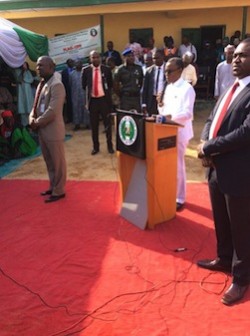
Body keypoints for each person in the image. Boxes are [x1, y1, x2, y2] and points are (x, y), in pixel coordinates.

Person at [196, 38, 250, 305]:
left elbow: (246, 133)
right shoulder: (231, 87)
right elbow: (210, 118)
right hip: (218, 168)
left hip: (240, 172)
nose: (236, 60)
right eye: (235, 55)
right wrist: (207, 143)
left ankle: (241, 279)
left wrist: (209, 147)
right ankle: (224, 259)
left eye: (243, 56)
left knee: (242, 227)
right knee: (222, 219)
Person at [158, 57, 195, 211]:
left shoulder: (187, 88)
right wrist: (160, 105)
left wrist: (169, 117)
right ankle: (169, 192)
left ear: (180, 71)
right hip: (166, 131)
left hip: (180, 132)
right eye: (165, 71)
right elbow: (163, 110)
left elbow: (187, 113)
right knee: (167, 164)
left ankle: (179, 197)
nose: (166, 74)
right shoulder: (169, 87)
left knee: (178, 166)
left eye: (170, 71)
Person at [29, 56, 67, 203]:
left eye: (41, 66)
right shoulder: (41, 84)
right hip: (42, 131)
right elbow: (35, 106)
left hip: (52, 131)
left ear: (51, 67)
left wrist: (36, 123)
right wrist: (31, 118)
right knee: (49, 161)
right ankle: (53, 186)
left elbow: (53, 111)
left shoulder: (57, 85)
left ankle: (59, 190)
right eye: (37, 66)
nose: (38, 68)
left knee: (58, 163)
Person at [81, 50, 114, 155]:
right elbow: (83, 86)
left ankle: (110, 146)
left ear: (100, 58)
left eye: (97, 57)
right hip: (93, 101)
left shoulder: (106, 69)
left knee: (107, 125)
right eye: (93, 57)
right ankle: (96, 147)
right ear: (90, 59)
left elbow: (110, 84)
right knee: (94, 126)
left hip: (104, 100)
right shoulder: (85, 70)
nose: (95, 59)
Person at [114, 48, 144, 112]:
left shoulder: (139, 68)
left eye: (132, 56)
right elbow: (115, 85)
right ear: (124, 58)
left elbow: (141, 82)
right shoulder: (120, 70)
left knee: (138, 117)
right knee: (125, 117)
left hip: (136, 98)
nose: (131, 58)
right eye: (129, 56)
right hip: (125, 98)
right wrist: (121, 95)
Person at [142, 49, 165, 115]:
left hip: (164, 99)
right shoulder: (149, 71)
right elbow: (145, 88)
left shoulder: (168, 69)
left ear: (162, 57)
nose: (155, 60)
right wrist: (144, 104)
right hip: (152, 100)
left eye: (157, 58)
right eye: (153, 58)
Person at [69, 59, 89, 131]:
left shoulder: (85, 72)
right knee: (76, 109)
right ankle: (77, 124)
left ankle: (87, 124)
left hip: (84, 93)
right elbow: (70, 84)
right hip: (75, 94)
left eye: (80, 63)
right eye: (77, 64)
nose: (78, 65)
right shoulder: (71, 74)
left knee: (86, 108)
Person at [15, 62, 35, 127]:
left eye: (25, 64)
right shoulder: (18, 72)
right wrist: (23, 71)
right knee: (22, 108)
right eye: (23, 64)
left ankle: (31, 124)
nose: (24, 66)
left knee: (29, 106)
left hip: (28, 92)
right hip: (21, 92)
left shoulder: (28, 72)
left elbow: (31, 80)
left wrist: (25, 73)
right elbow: (18, 79)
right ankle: (25, 126)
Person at [61, 58, 74, 123]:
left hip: (75, 90)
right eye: (70, 62)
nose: (71, 63)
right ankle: (70, 119)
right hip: (68, 90)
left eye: (72, 62)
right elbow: (63, 82)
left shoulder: (76, 69)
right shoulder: (64, 72)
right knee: (69, 105)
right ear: (67, 64)